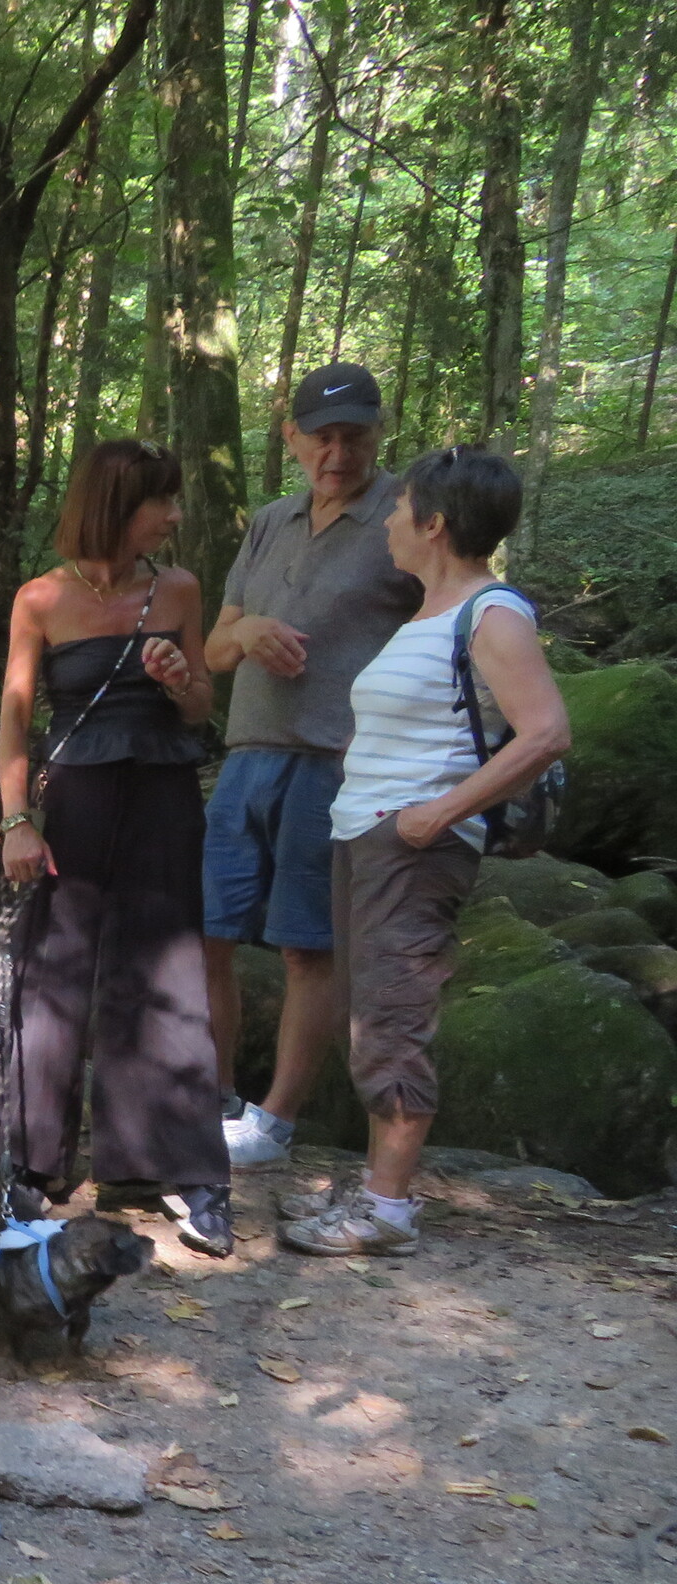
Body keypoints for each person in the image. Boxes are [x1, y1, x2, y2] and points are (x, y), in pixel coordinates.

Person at [279, 446, 569, 1259]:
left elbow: (547, 732)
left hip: (413, 847)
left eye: (402, 508)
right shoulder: (428, 612)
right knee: (368, 1013)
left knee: (393, 1018)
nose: (390, 521)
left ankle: (388, 1212)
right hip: (369, 836)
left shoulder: (492, 614)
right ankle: (379, 1188)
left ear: (435, 524)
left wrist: (436, 813)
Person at [0, 438, 232, 1256]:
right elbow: (15, 720)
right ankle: (31, 1160)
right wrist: (16, 821)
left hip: (165, 793)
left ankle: (177, 1166)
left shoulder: (179, 588)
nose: (174, 515)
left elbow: (199, 709)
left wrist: (179, 681)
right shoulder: (40, 599)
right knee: (53, 972)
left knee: (166, 972)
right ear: (116, 507)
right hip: (76, 802)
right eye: (161, 501)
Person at [201, 364, 423, 1169]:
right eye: (322, 437)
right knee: (208, 931)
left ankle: (275, 1124)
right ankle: (215, 1098)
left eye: (353, 435)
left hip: (339, 764)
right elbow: (214, 650)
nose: (338, 453)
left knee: (308, 947)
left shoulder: (408, 515)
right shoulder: (270, 521)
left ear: (378, 433)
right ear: (291, 437)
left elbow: (456, 623)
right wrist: (247, 630)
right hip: (247, 756)